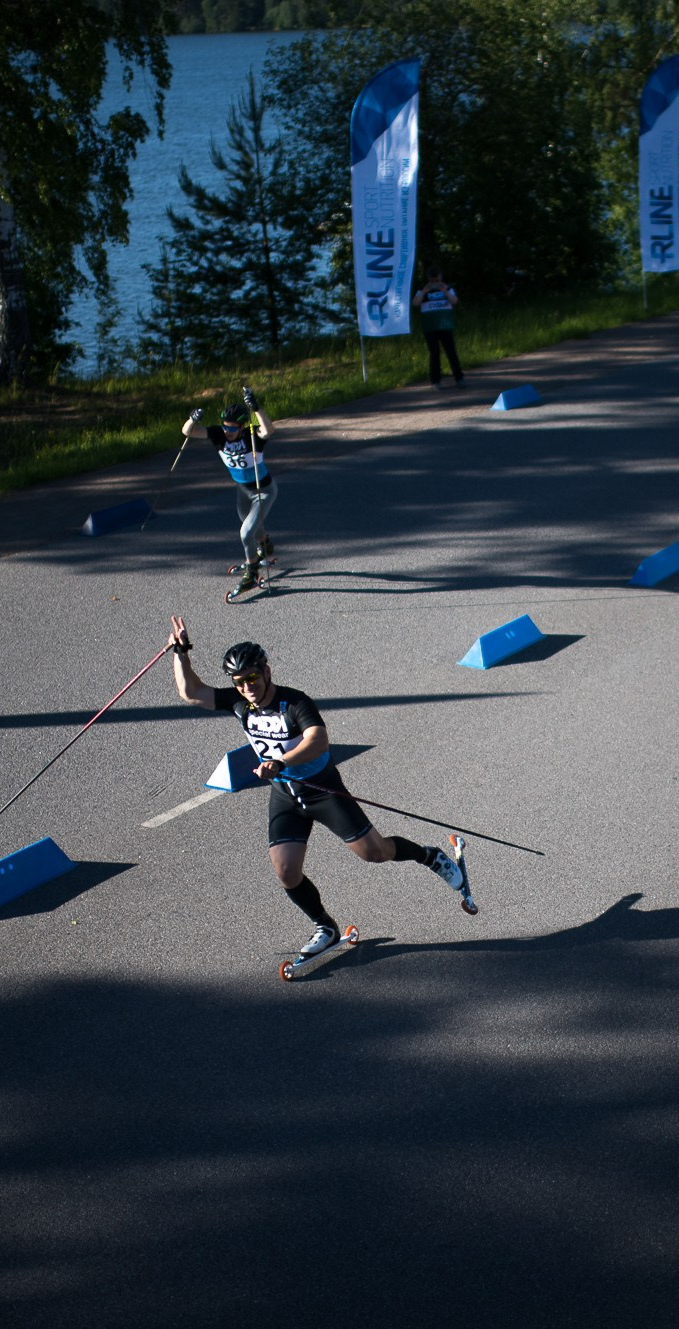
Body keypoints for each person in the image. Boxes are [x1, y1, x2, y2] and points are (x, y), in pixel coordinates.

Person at [166, 620, 476, 962]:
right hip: (285, 795)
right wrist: (181, 653)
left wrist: (281, 761)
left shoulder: (295, 702)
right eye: (239, 682)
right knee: (286, 871)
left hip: (322, 790)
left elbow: (318, 740)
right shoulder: (240, 704)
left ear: (266, 671)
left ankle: (428, 856)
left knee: (375, 852)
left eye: (252, 678)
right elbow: (191, 692)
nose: (247, 687)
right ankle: (325, 928)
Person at [182, 385, 275, 595]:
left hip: (264, 490)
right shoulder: (218, 435)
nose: (228, 432)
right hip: (242, 489)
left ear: (242, 427)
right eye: (226, 427)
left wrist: (257, 408)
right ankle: (265, 545)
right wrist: (192, 418)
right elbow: (187, 431)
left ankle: (251, 571)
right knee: (251, 526)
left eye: (232, 429)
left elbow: (269, 430)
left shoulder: (251, 435)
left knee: (245, 532)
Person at [411, 267, 464, 390]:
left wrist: (444, 291)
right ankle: (436, 381)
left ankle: (459, 378)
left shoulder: (448, 288)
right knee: (434, 353)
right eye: (432, 279)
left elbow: (455, 301)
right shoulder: (422, 290)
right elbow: (415, 303)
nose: (435, 281)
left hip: (445, 325)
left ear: (440, 277)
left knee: (451, 352)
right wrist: (424, 291)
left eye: (437, 278)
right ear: (428, 278)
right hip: (430, 327)